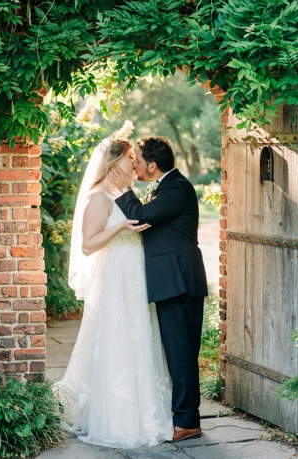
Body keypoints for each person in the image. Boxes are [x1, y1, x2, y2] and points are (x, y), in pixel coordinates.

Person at [58, 136, 174, 448]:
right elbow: (87, 245)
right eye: (130, 158)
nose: (135, 163)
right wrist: (120, 228)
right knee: (116, 339)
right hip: (114, 279)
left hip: (134, 278)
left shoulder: (122, 193)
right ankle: (116, 418)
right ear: (114, 162)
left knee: (139, 338)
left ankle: (144, 413)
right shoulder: (98, 197)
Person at [111, 136, 208, 442]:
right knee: (178, 353)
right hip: (172, 281)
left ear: (152, 166)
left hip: (179, 281)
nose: (135, 166)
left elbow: (138, 215)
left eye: (137, 161)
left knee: (181, 353)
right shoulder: (167, 187)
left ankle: (187, 423)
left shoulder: (176, 188)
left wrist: (123, 188)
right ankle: (185, 417)